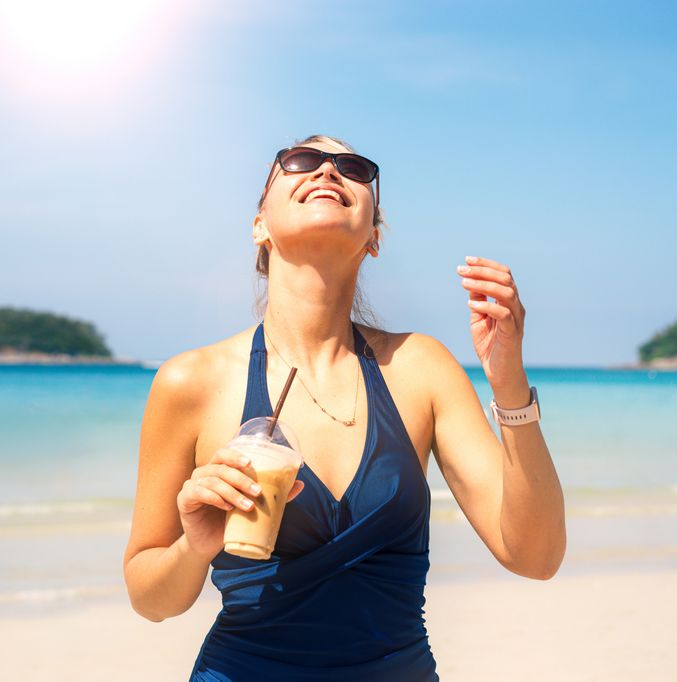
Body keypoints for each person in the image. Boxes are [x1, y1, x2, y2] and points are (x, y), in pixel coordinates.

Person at [123, 134, 566, 680]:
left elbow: (536, 555)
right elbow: (150, 599)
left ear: (373, 237)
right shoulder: (192, 382)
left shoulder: (419, 367)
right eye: (303, 161)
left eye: (352, 167)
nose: (329, 171)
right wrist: (194, 547)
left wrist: (508, 382)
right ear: (259, 224)